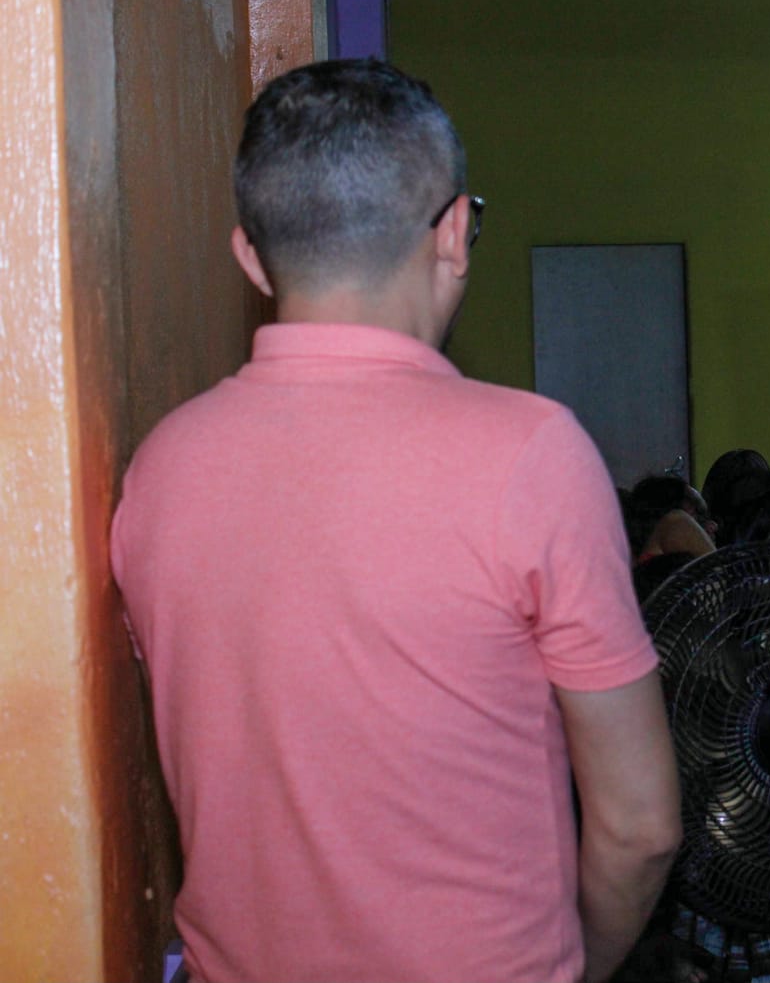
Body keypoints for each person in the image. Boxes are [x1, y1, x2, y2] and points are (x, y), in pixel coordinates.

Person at [111, 59, 681, 982]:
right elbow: (640, 826)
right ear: (454, 234)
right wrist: (580, 963)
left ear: (250, 257)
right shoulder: (531, 454)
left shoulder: (159, 468)